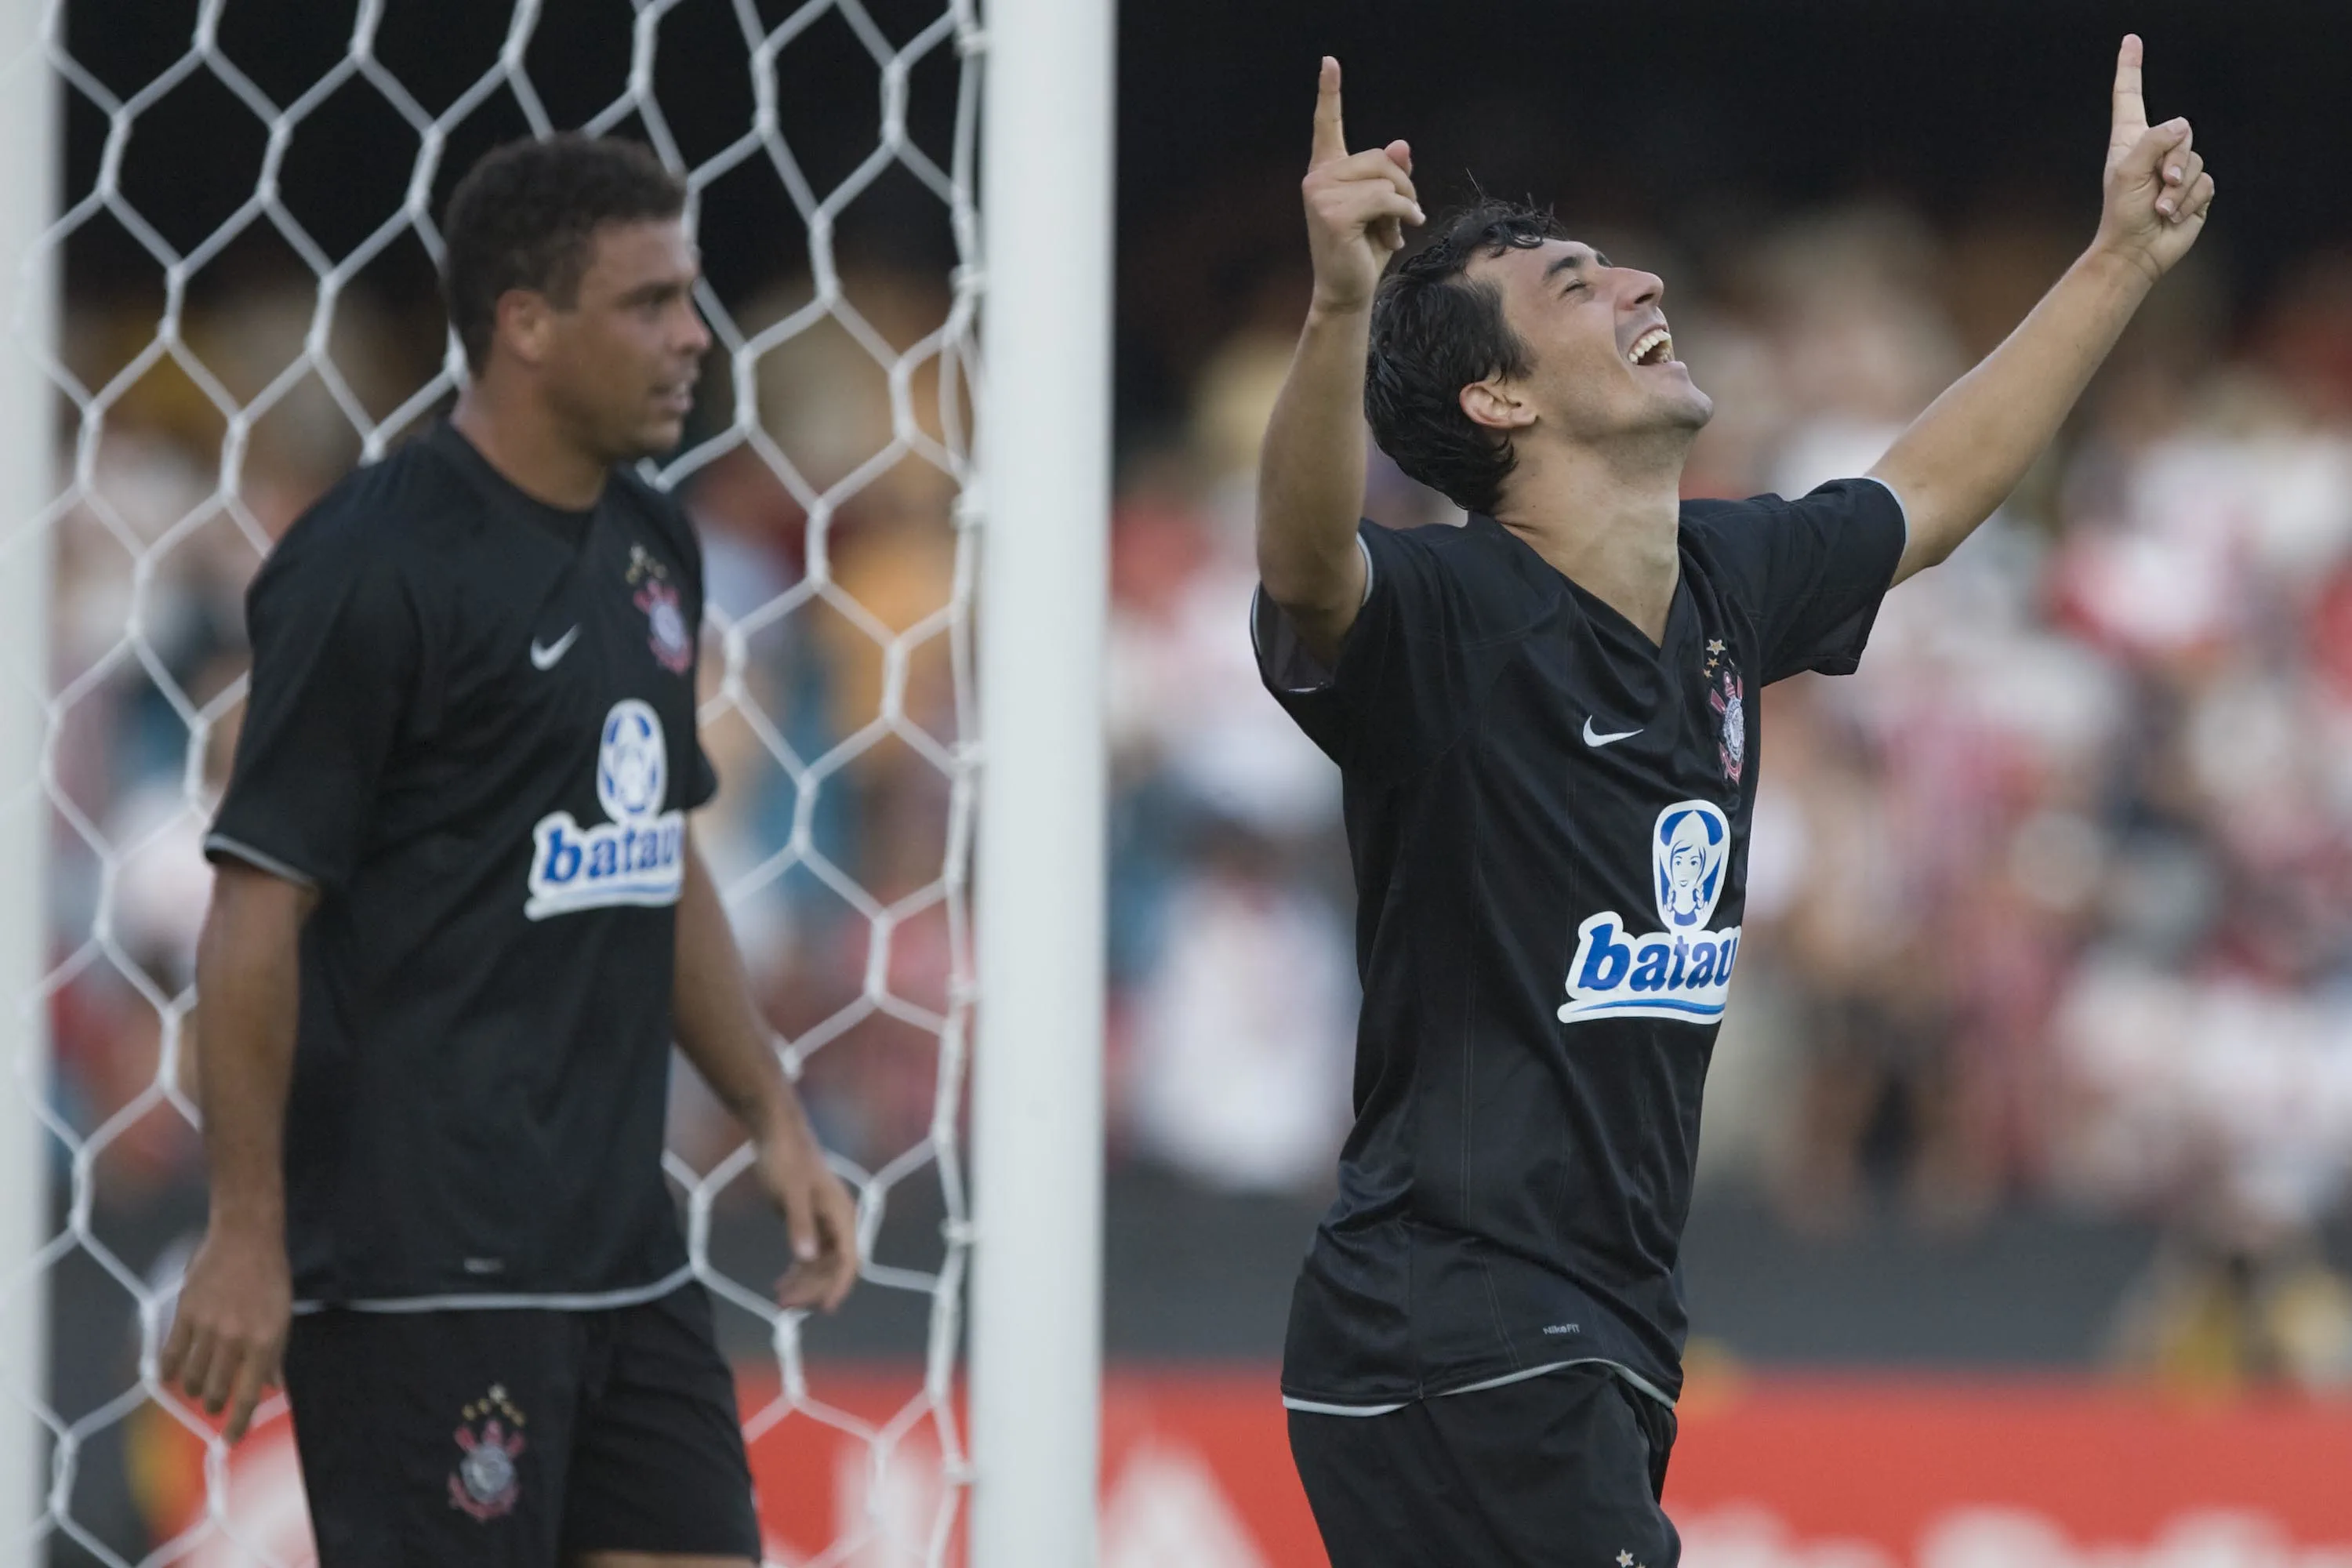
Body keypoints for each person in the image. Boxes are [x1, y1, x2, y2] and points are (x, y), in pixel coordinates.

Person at [1254, 39, 2212, 1565]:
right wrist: (1337, 304)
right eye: (1573, 285)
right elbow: (1307, 570)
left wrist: (2119, 256)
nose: (1635, 281)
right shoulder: (1443, 614)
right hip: (1461, 1321)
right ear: (1496, 396)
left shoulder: (1720, 584)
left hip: (1598, 1327)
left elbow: (1929, 492)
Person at [158, 133, 860, 1567]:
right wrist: (244, 1229)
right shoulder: (370, 566)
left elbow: (647, 846)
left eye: (694, 295)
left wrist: (772, 1114)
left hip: (623, 1253)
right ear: (526, 326)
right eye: (651, 303)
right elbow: (254, 912)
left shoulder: (655, 545)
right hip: (421, 1267)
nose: (694, 338)